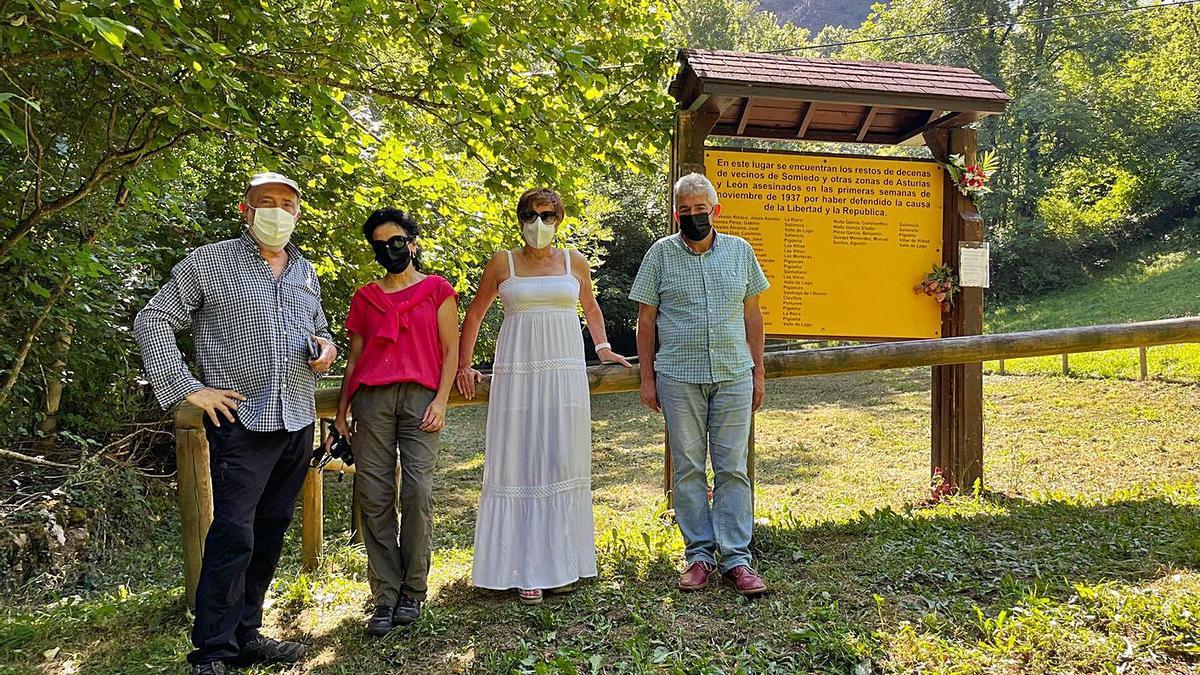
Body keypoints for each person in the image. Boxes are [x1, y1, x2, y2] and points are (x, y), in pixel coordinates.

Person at [134, 172, 337, 674]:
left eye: (286, 203)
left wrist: (326, 350)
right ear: (246, 210)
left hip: (296, 418)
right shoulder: (210, 261)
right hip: (241, 422)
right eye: (265, 202)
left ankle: (247, 635)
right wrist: (188, 390)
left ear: (297, 213)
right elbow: (152, 319)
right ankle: (213, 652)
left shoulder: (305, 271)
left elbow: (322, 330)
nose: (276, 211)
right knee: (233, 536)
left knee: (270, 532)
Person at [457, 187, 632, 604]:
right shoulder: (504, 262)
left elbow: (590, 306)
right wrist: (465, 365)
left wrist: (603, 346)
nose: (540, 223)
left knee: (561, 456)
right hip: (518, 371)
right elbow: (476, 312)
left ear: (559, 218)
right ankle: (524, 567)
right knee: (519, 458)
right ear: (520, 219)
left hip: (565, 370)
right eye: (532, 215)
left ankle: (562, 562)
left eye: (548, 215)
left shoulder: (575, 261)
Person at [628, 172, 770, 597]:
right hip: (678, 376)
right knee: (688, 468)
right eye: (685, 211)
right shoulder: (659, 256)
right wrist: (647, 377)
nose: (693, 217)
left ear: (716, 210)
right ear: (676, 214)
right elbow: (646, 319)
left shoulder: (740, 252)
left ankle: (737, 559)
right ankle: (699, 555)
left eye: (700, 209)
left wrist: (757, 371)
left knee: (732, 468)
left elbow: (753, 316)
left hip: (732, 374)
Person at [333, 208, 459, 635]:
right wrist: (340, 413)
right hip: (372, 401)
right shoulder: (365, 297)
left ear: (412, 242)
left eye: (396, 241)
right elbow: (354, 358)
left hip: (422, 398)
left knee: (418, 489)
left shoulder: (438, 290)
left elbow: (450, 351)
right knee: (374, 494)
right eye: (380, 245)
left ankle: (413, 589)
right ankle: (385, 594)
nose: (390, 250)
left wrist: (441, 400)